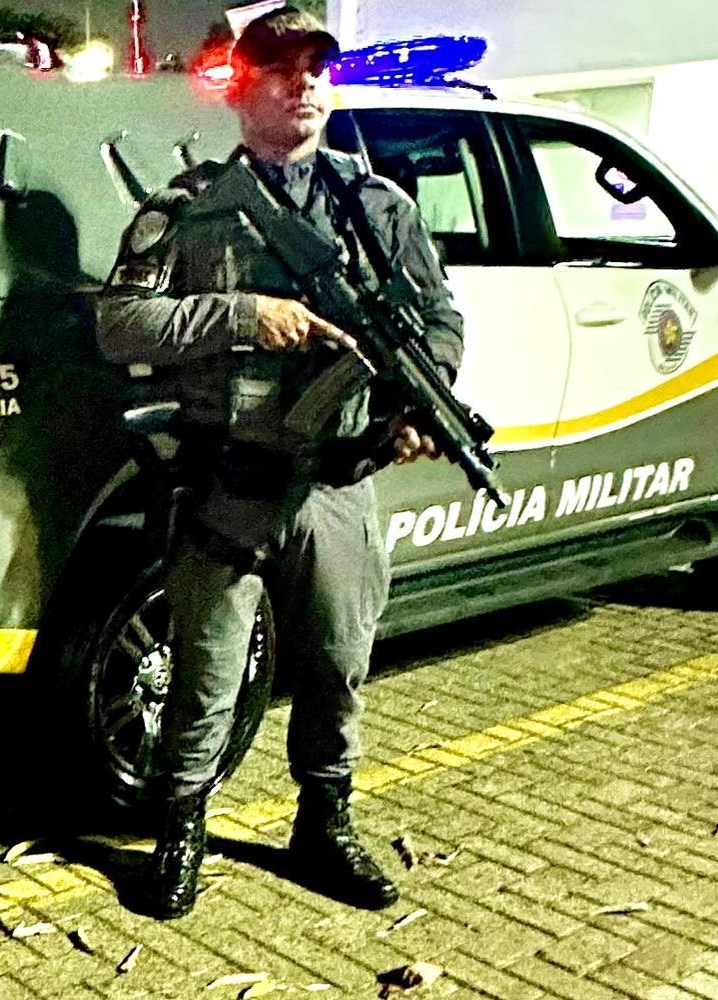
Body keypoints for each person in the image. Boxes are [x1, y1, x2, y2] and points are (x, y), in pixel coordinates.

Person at [95, 6, 464, 919]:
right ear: (241, 87)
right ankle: (180, 831)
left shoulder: (379, 209)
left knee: (339, 664)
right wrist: (243, 315)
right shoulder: (187, 209)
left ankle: (323, 823)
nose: (303, 82)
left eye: (316, 68)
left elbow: (439, 321)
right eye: (281, 67)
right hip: (227, 481)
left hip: (337, 484)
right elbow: (120, 324)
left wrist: (417, 407)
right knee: (206, 674)